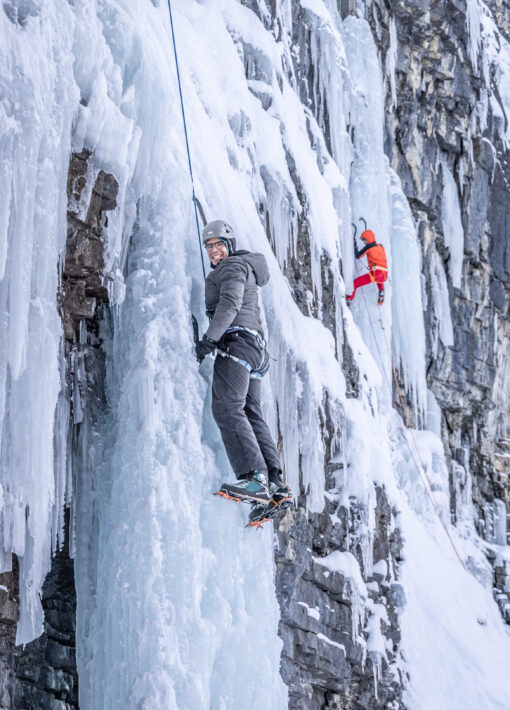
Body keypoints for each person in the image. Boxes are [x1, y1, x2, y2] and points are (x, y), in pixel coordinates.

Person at [195, 220, 291, 520]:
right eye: (209, 247)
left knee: (226, 407)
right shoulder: (242, 266)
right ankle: (275, 485)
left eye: (219, 245)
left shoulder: (232, 267)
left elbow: (231, 304)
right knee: (251, 413)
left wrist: (210, 339)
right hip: (255, 351)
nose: (213, 251)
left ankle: (255, 477)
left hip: (236, 344)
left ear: (230, 245)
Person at [346, 228, 388, 305]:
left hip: (376, 273)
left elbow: (358, 255)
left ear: (368, 239)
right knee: (379, 280)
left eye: (364, 240)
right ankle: (381, 292)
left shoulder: (369, 247)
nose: (364, 242)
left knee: (355, 283)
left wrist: (354, 244)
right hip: (384, 273)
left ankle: (349, 298)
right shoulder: (381, 246)